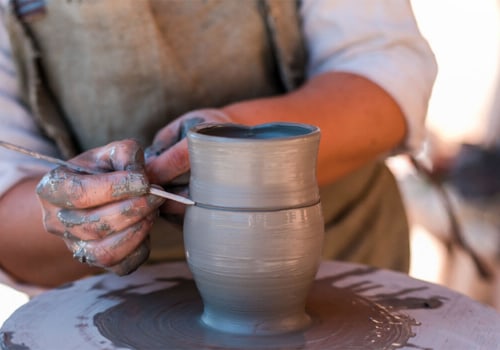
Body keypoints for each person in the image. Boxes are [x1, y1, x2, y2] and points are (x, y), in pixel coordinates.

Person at [0, 0, 437, 288]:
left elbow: (388, 71)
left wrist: (234, 138)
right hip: (120, 298)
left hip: (341, 256)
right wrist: (78, 214)